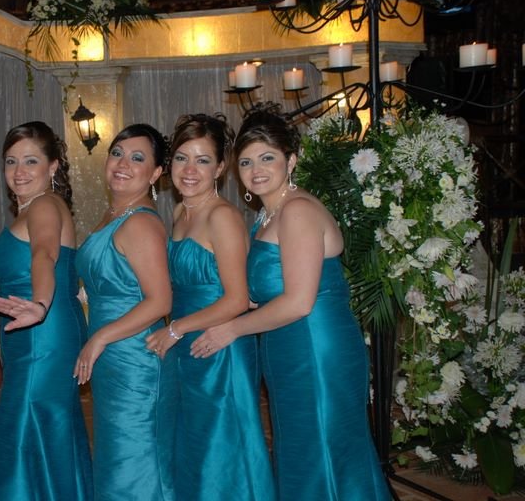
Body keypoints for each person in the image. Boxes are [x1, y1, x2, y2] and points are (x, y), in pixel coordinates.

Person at [190, 109, 389, 500]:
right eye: (246, 162)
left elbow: (298, 302)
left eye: (267, 158)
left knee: (324, 451)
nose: (256, 170)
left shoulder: (298, 210)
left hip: (315, 348)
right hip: (287, 348)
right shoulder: (266, 216)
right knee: (302, 450)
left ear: (291, 160)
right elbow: (265, 290)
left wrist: (230, 329)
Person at [146, 113, 276, 500]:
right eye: (182, 158)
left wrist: (175, 329)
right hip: (187, 343)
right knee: (194, 445)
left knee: (223, 447)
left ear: (220, 168)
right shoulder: (180, 212)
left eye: (202, 160)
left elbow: (238, 298)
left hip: (220, 346)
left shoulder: (223, 216)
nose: (190, 170)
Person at [0, 121, 92, 500]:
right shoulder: (29, 209)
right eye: (11, 161)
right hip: (30, 330)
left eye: (31, 161)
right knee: (40, 430)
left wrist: (41, 305)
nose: (19, 171)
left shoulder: (44, 205)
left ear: (53, 166)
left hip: (43, 332)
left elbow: (44, 254)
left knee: (22, 430)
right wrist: (2, 332)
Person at [74, 124, 175, 500]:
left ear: (155, 173)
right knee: (117, 455)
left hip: (134, 358)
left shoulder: (141, 223)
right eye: (117, 153)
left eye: (137, 158)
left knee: (133, 460)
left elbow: (160, 301)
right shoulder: (115, 215)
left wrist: (99, 337)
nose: (122, 164)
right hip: (113, 357)